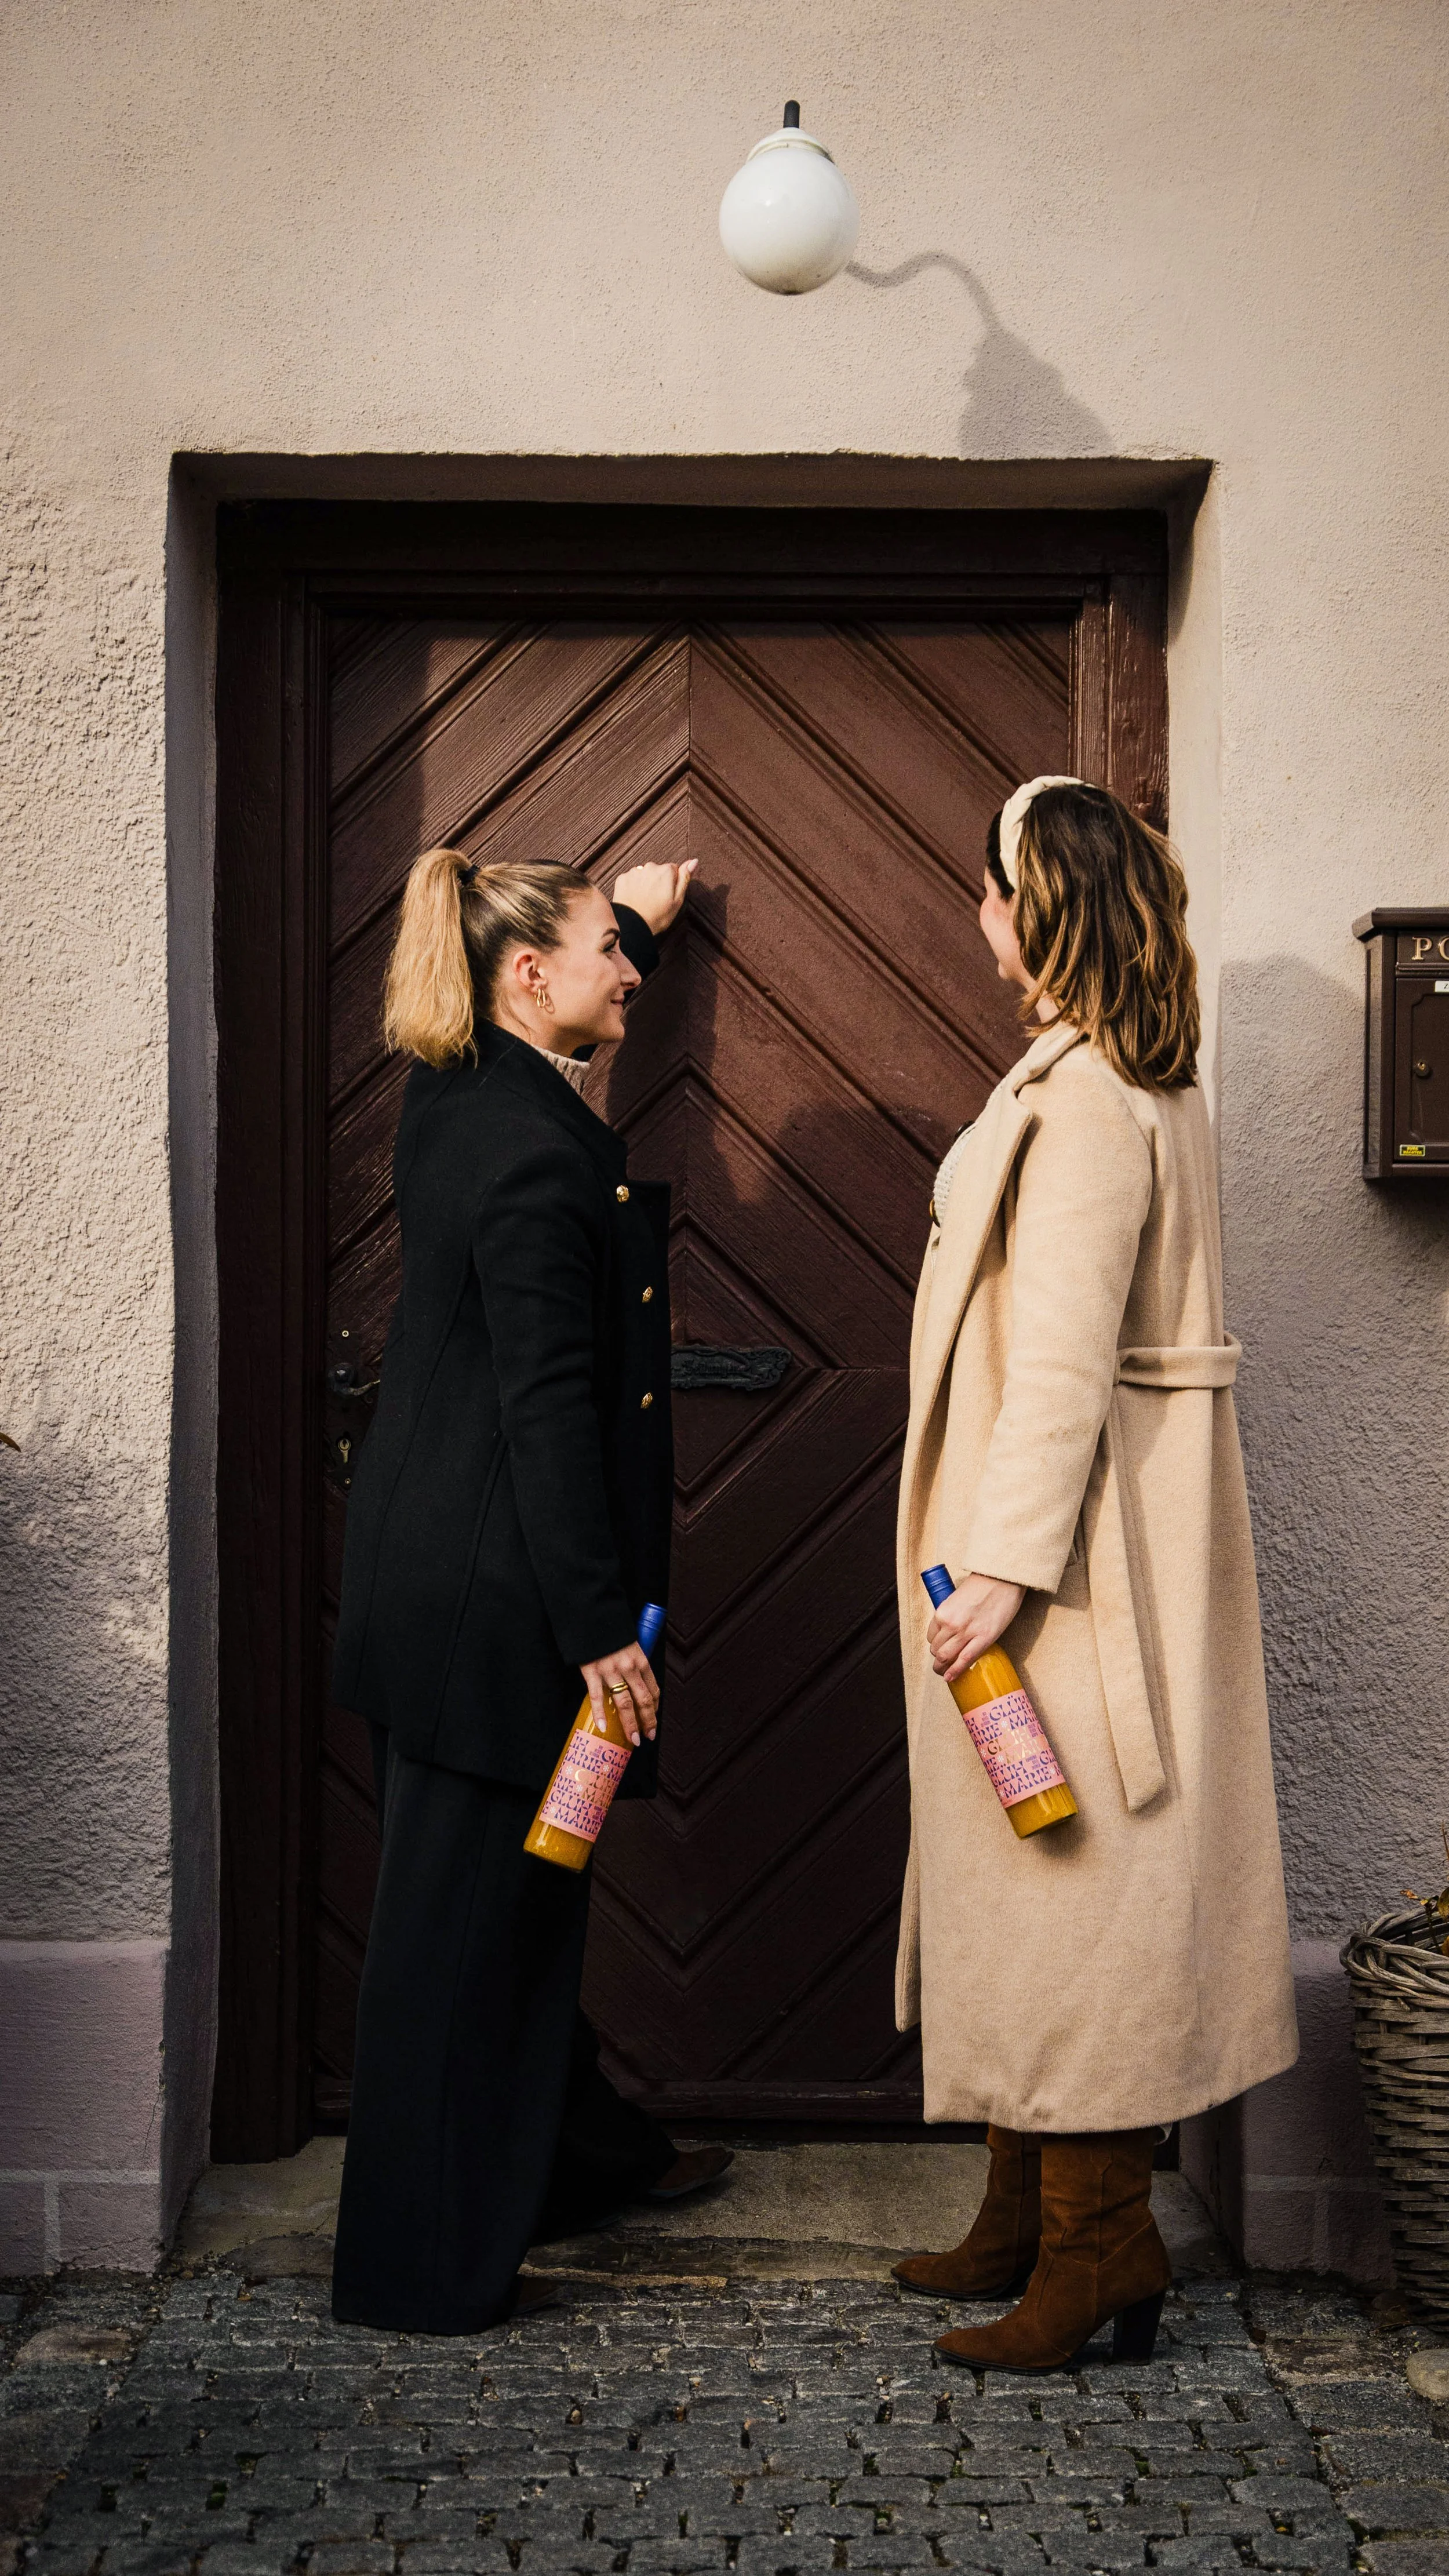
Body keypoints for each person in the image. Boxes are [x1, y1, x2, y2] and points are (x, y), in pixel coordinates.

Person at [891, 777, 1297, 2372]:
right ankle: (1020, 2201)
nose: (976, 913)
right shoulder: (1125, 1078)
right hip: (1095, 1531)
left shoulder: (1082, 1102)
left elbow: (1061, 1359)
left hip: (1070, 1560)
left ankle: (1096, 2243)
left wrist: (998, 1562)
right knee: (1037, 1892)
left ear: (1038, 902)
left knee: (1073, 1892)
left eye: (989, 887)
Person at [330, 847, 728, 2335]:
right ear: (524, 980)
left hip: (438, 1590)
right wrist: (595, 1638)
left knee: (501, 1910)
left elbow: (558, 960)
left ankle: (576, 2158)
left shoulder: (455, 1089)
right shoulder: (528, 1153)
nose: (627, 974)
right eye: (605, 955)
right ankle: (415, 2273)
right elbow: (546, 1409)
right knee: (464, 1942)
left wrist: (631, 909)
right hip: (498, 1613)